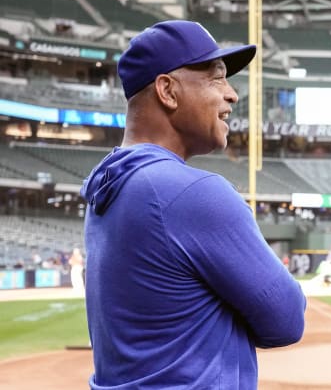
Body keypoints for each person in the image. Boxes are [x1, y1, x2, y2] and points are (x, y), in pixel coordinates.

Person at [80, 20, 306, 389]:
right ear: (167, 90)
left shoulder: (110, 185)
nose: (232, 95)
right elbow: (286, 320)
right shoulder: (193, 192)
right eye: (216, 78)